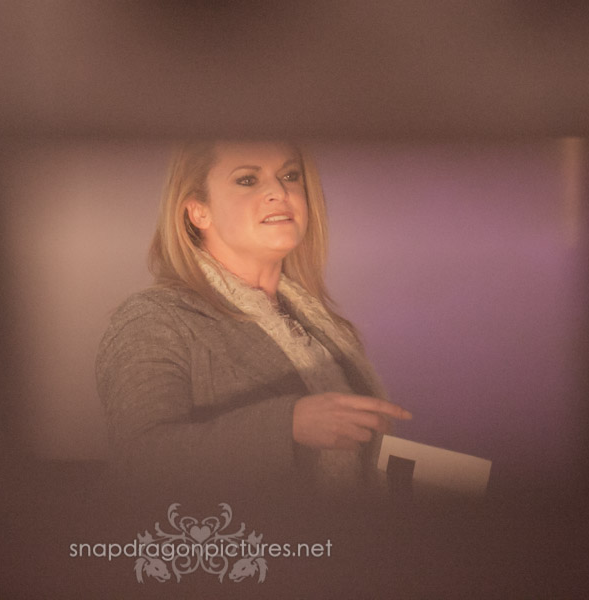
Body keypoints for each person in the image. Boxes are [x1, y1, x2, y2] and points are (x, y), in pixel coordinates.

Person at [95, 141, 412, 504]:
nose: (279, 192)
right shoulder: (154, 319)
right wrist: (289, 425)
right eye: (247, 180)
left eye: (290, 176)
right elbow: (140, 462)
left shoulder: (330, 330)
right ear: (198, 211)